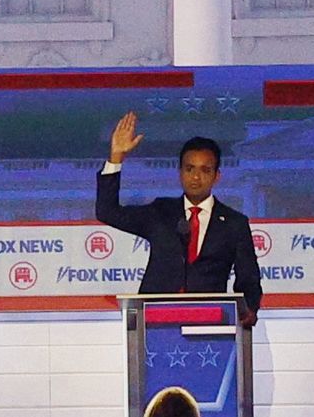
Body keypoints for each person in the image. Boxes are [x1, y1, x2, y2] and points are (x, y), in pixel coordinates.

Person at [98, 112, 263, 320]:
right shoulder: (160, 212)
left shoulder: (234, 223)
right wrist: (116, 158)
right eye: (189, 169)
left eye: (205, 170)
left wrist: (249, 309)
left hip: (210, 323)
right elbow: (107, 212)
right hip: (155, 320)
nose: (196, 177)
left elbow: (248, 276)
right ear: (180, 172)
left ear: (216, 176)